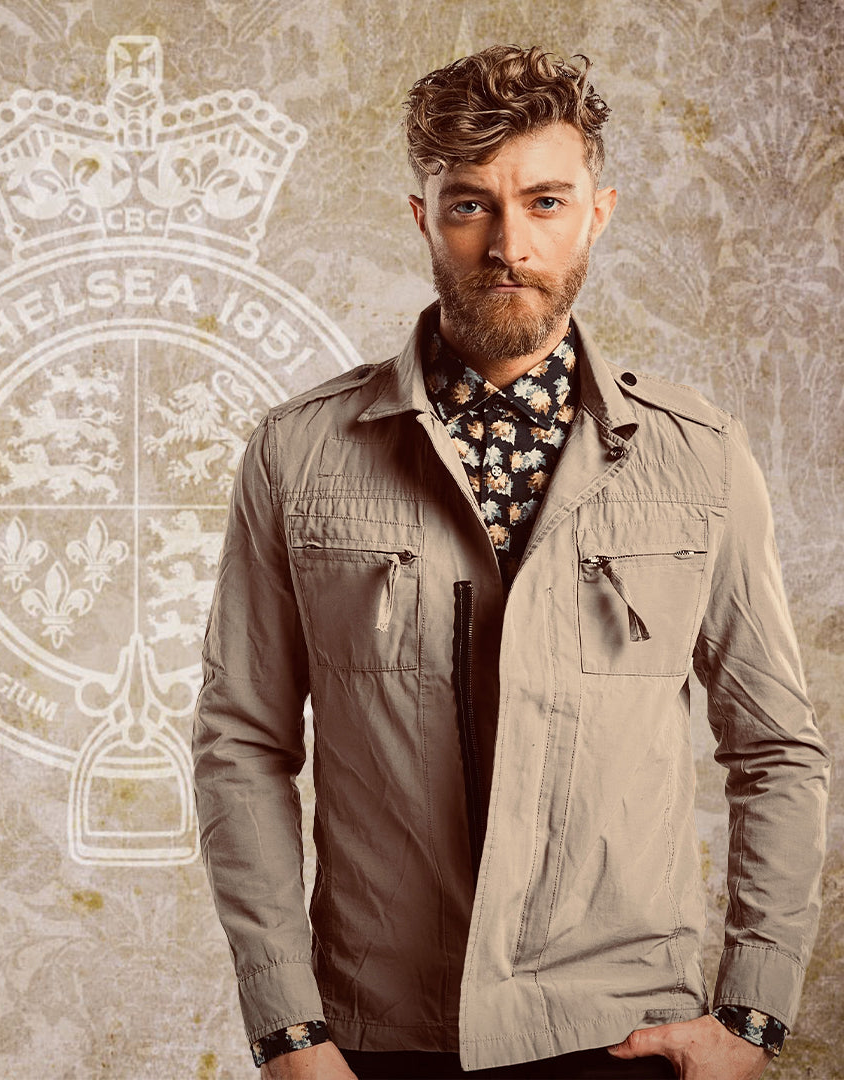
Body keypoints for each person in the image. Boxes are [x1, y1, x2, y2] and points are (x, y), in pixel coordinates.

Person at [192, 45, 829, 1080]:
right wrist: (288, 1030)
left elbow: (776, 749)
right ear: (421, 216)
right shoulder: (299, 451)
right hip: (379, 1038)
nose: (508, 244)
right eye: (470, 206)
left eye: (544, 202)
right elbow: (241, 744)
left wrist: (753, 1014)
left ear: (598, 210)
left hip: (623, 1036)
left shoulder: (698, 455)